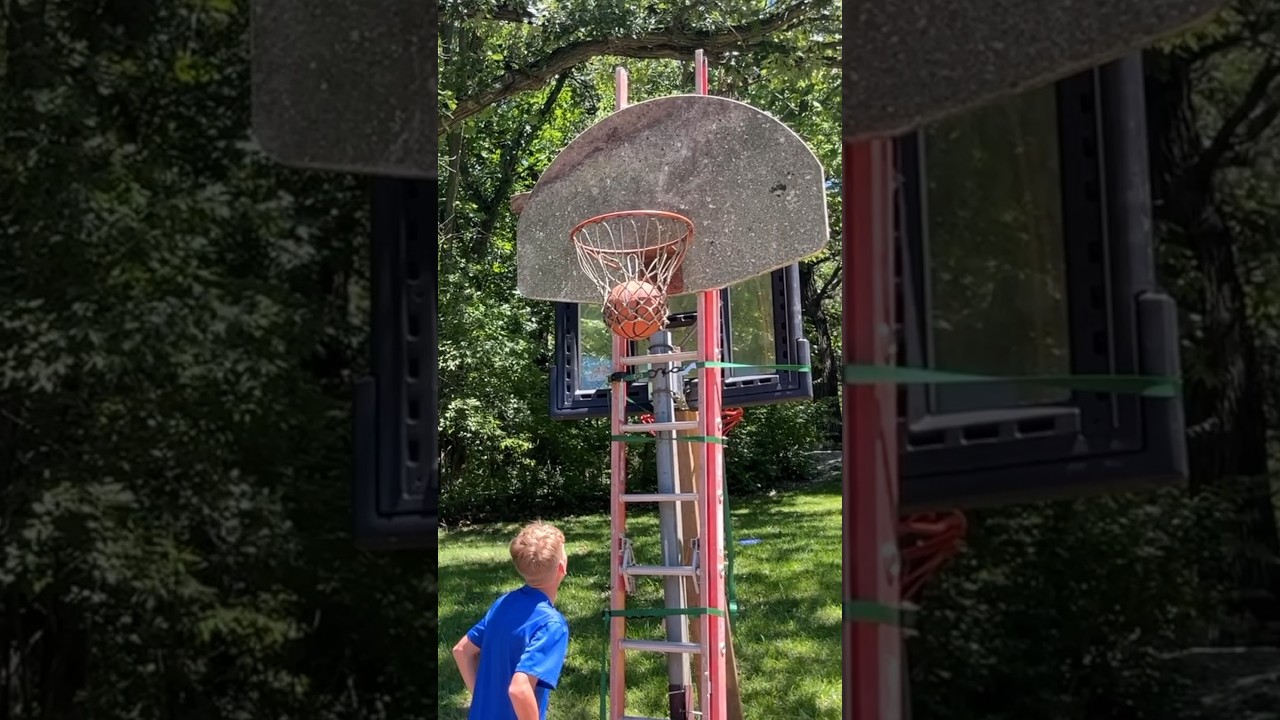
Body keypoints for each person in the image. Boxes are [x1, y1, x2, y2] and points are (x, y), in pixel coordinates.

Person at [452, 521, 570, 720]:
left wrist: (484, 701)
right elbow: (519, 689)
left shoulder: (503, 604)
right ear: (562, 567)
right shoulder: (552, 625)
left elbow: (461, 651)